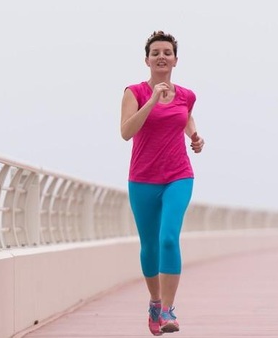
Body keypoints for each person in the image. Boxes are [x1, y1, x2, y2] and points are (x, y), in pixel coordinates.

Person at [120, 30, 204, 335]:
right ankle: (154, 301)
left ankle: (168, 309)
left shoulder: (186, 95)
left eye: (167, 52)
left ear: (175, 60)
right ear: (147, 59)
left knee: (169, 238)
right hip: (142, 179)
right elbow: (126, 131)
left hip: (178, 175)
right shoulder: (135, 92)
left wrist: (194, 136)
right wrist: (153, 99)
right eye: (155, 52)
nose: (161, 57)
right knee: (149, 246)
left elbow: (185, 117)